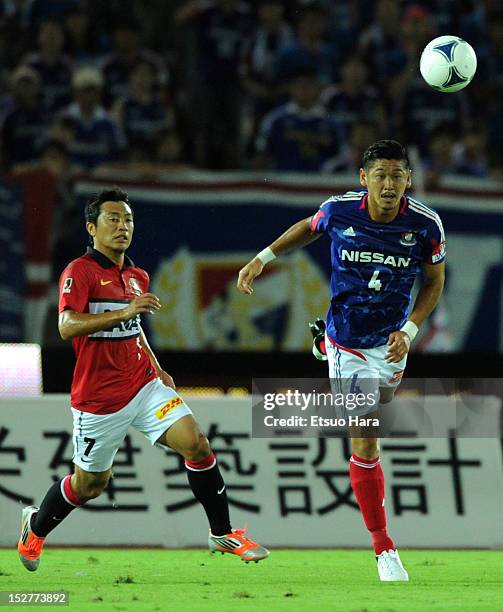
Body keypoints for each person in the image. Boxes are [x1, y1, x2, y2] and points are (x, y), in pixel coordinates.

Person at [18, 187, 268, 571]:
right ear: (91, 228)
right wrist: (123, 312)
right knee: (90, 485)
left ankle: (223, 532)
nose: (122, 226)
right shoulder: (79, 272)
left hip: (143, 383)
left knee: (197, 444)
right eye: (113, 219)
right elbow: (67, 326)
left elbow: (134, 329)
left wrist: (156, 365)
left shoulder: (137, 275)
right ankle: (34, 527)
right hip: (99, 400)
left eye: (128, 219)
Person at [237, 140, 446, 581]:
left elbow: (433, 281)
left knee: (377, 414)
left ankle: (321, 348)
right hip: (350, 342)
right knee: (367, 439)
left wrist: (409, 331)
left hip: (389, 343)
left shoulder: (426, 225)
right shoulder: (339, 210)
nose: (389, 184)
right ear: (363, 179)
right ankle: (383, 548)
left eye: (397, 176)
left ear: (408, 179)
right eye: (380, 175)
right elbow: (307, 228)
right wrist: (261, 259)